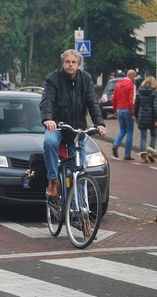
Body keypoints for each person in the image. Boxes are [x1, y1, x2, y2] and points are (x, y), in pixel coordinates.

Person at [40, 49, 107, 199]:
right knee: (50, 142)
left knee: (78, 171)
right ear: (63, 63)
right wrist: (48, 119)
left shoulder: (86, 79)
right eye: (67, 62)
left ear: (78, 65)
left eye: (73, 62)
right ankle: (53, 180)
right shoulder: (53, 79)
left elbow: (92, 103)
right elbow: (47, 101)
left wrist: (99, 123)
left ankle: (81, 213)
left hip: (77, 128)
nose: (70, 65)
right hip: (57, 125)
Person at [111, 69, 137, 160]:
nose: (135, 78)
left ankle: (116, 144)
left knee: (122, 130)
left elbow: (113, 99)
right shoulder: (131, 85)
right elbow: (131, 100)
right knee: (129, 131)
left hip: (119, 109)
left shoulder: (117, 84)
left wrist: (115, 111)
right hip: (127, 110)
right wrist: (133, 113)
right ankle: (127, 154)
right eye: (135, 76)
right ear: (132, 76)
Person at [134, 76, 157, 163]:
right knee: (153, 135)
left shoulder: (139, 92)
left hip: (141, 116)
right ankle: (151, 152)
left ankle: (143, 157)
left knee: (143, 137)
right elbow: (155, 106)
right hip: (151, 117)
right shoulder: (154, 93)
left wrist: (136, 116)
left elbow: (136, 105)